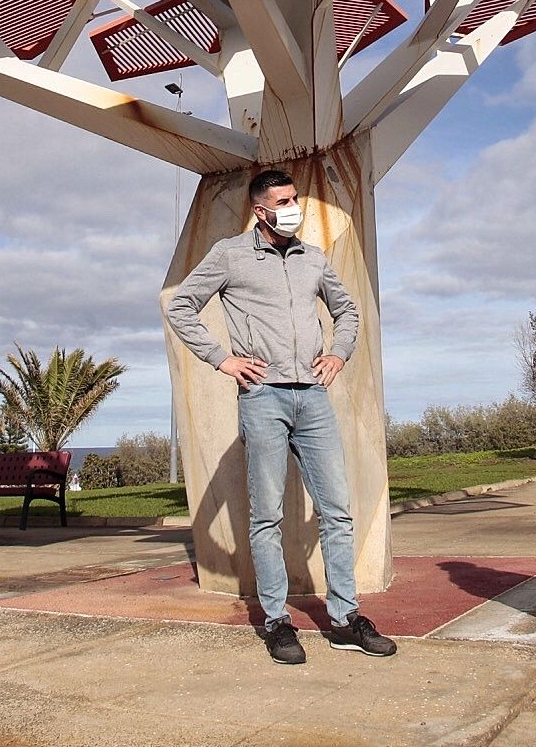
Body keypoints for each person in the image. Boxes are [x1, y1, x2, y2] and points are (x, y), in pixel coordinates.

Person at [165, 168, 397, 666]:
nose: (295, 208)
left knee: (337, 511)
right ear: (260, 209)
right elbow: (181, 305)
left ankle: (344, 620)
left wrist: (339, 352)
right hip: (263, 397)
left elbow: (347, 311)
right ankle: (276, 621)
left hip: (313, 397)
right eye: (285, 201)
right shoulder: (230, 254)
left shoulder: (313, 258)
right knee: (265, 516)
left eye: (296, 199)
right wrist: (221, 358)